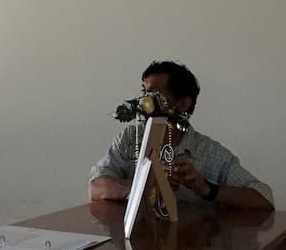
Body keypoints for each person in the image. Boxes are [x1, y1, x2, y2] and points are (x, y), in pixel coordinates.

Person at [88, 60, 273, 210]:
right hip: (136, 240)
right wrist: (145, 187)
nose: (144, 102)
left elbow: (264, 198)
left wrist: (206, 188)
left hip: (190, 242)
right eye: (144, 92)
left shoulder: (210, 152)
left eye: (154, 95)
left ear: (183, 104)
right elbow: (95, 187)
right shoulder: (130, 138)